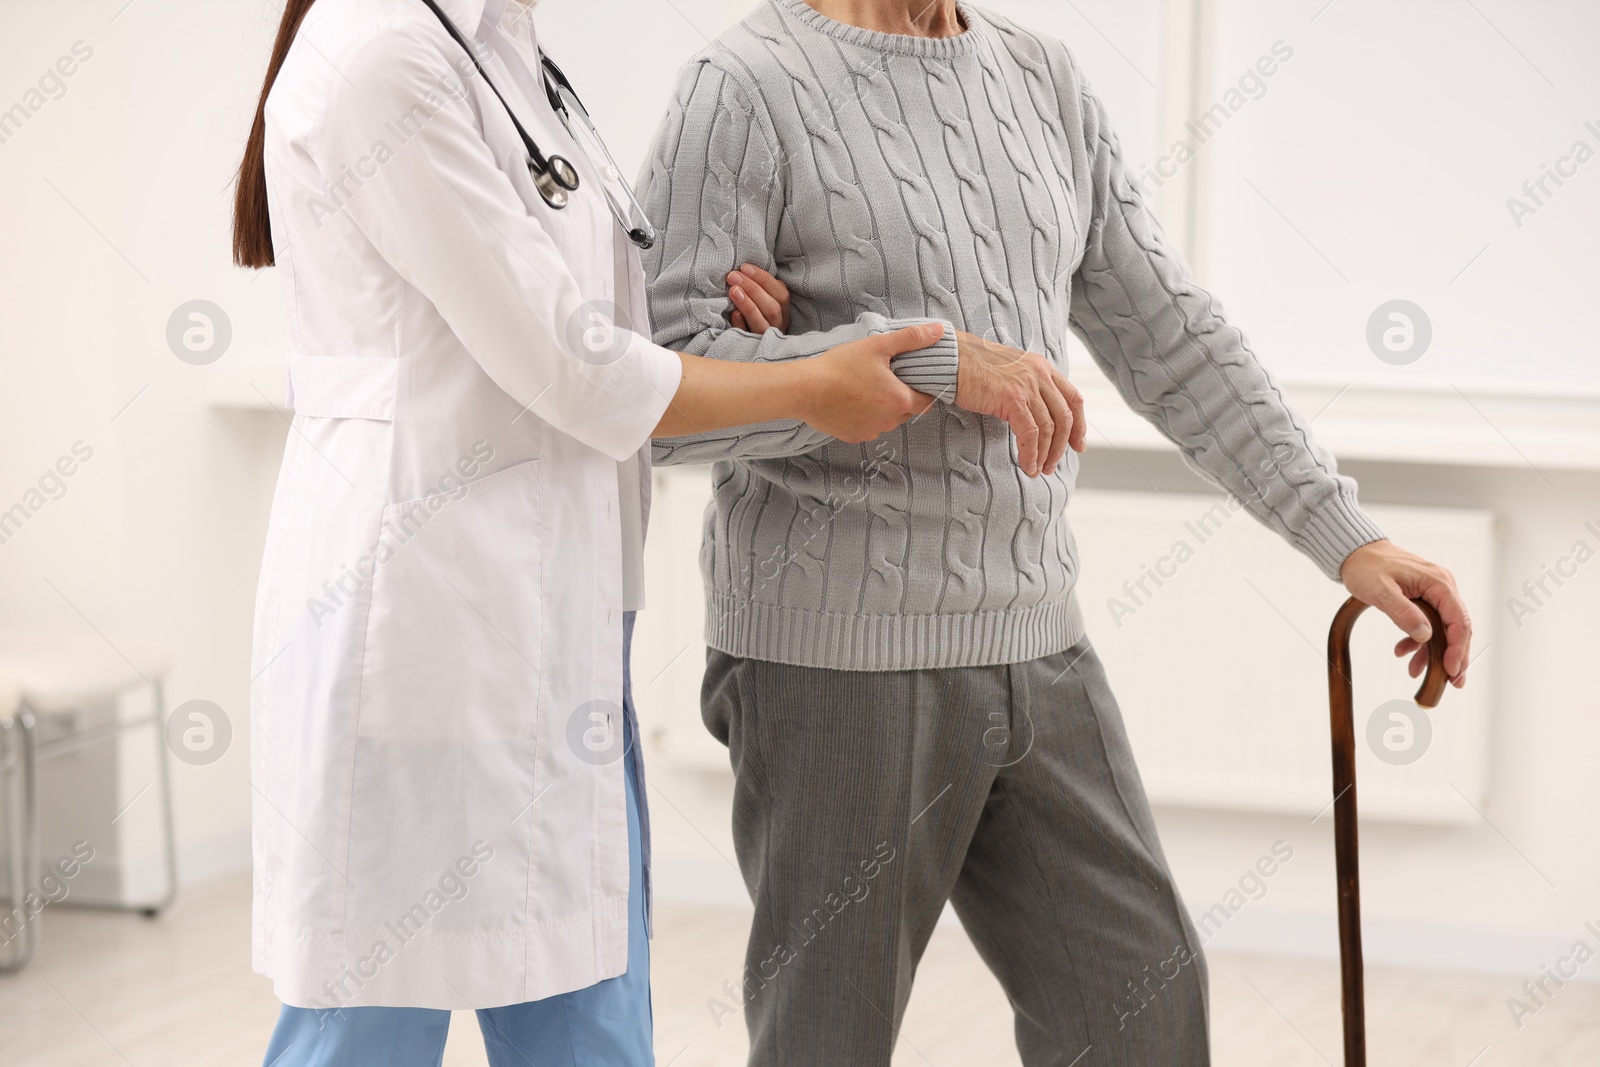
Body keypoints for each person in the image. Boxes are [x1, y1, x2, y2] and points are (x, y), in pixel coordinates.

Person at [639, 1, 1473, 1064]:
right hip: (831, 661)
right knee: (826, 1040)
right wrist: (930, 362)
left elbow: (1170, 335)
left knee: (1142, 1010)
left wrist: (1344, 536)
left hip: (1039, 642)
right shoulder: (742, 85)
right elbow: (658, 394)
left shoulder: (1042, 77)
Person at [229, 0, 939, 1063]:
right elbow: (565, 364)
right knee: (370, 1018)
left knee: (589, 1016)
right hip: (423, 633)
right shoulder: (382, 56)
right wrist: (800, 389)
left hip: (560, 619)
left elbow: (592, 324)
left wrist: (752, 337)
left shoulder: (504, 51)